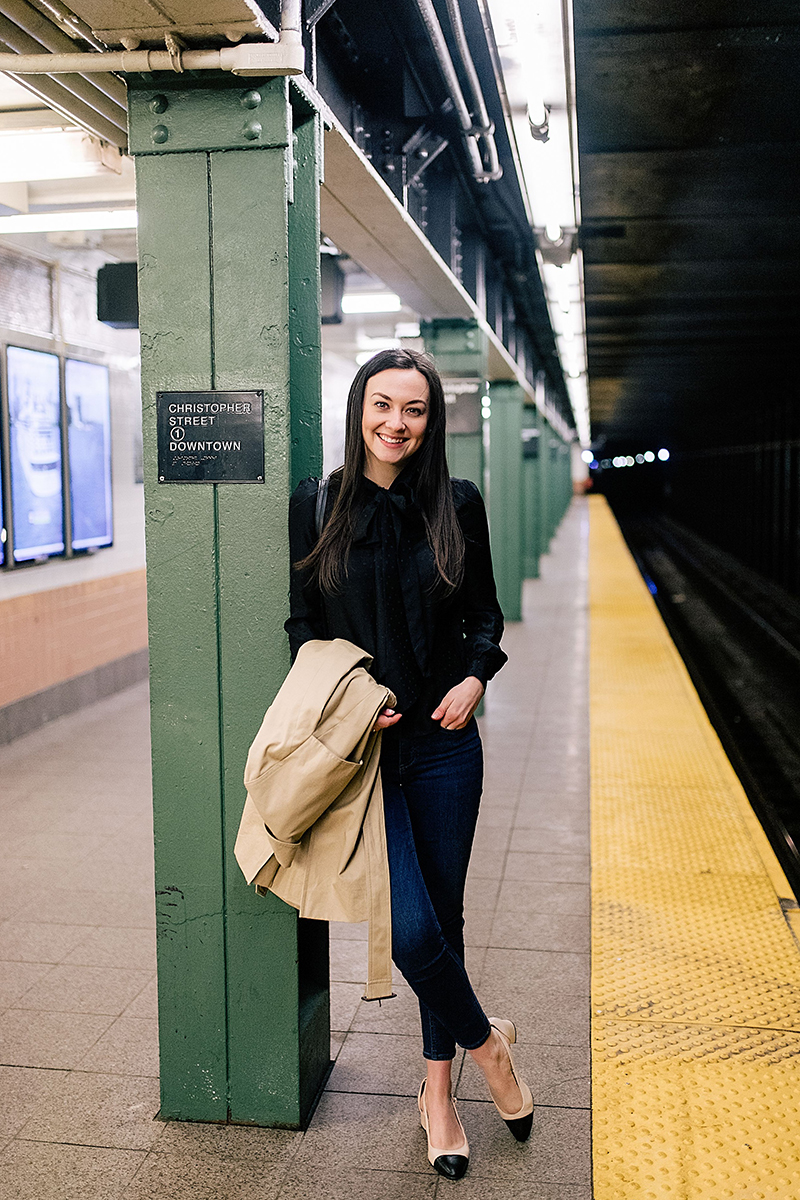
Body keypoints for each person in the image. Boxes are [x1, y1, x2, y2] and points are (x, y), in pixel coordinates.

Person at [285, 347, 533, 1179]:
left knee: (446, 919)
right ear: (359, 409)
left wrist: (474, 677)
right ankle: (487, 1046)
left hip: (443, 744)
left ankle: (438, 1095)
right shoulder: (315, 506)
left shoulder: (456, 506)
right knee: (415, 933)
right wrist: (354, 694)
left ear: (432, 421)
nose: (396, 423)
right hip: (364, 751)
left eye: (415, 410)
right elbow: (303, 630)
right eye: (382, 405)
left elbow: (487, 617)